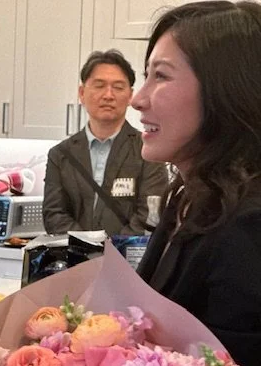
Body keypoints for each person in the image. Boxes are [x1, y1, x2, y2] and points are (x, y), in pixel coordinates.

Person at [134, 1, 261, 366]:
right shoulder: (188, 197)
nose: (138, 99)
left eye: (161, 76)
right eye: (146, 76)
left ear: (224, 92)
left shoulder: (251, 223)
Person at [43, 49, 168, 236]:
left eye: (118, 87)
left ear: (130, 96)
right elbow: (54, 215)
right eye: (99, 85)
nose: (108, 95)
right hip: (74, 253)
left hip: (129, 253)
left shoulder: (149, 152)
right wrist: (86, 247)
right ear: (82, 93)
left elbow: (150, 215)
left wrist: (112, 250)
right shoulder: (60, 155)